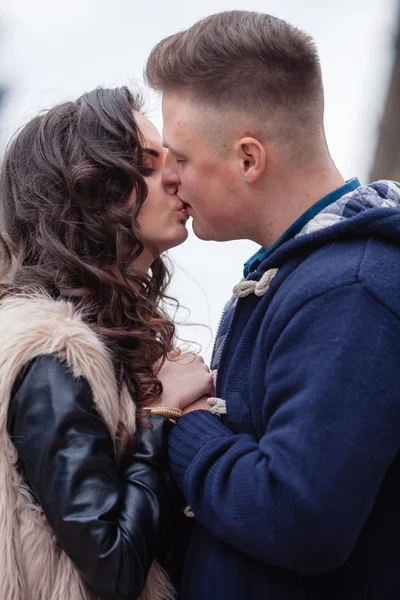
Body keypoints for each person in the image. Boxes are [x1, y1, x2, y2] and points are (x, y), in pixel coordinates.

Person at [145, 10, 400, 600]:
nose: (171, 179)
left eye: (179, 158)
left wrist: (185, 425)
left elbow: (299, 517)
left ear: (248, 159)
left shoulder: (351, 289)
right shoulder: (301, 274)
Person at [0, 86, 213, 600]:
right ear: (87, 192)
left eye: (171, 158)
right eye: (144, 165)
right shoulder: (51, 348)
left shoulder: (100, 337)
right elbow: (113, 565)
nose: (176, 177)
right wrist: (161, 415)